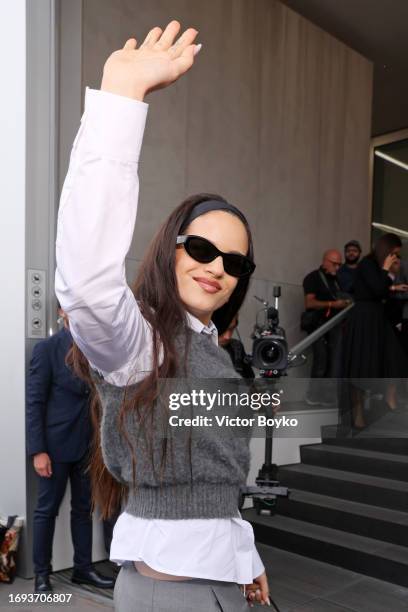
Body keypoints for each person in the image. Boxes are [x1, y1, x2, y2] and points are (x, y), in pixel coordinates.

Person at [55, 22, 270, 612]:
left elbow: (219, 479)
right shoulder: (145, 341)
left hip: (219, 581)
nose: (217, 268)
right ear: (170, 250)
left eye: (235, 262)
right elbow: (89, 287)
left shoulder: (215, 351)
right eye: (201, 249)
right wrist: (121, 102)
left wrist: (244, 559)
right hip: (173, 593)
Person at [26, 306, 114, 593]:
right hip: (54, 447)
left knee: (83, 510)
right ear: (62, 311)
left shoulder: (96, 348)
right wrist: (38, 450)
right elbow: (35, 403)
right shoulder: (47, 349)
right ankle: (42, 573)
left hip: (89, 444)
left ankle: (83, 569)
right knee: (46, 511)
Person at [343, 233, 408, 428]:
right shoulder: (367, 264)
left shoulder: (377, 267)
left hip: (378, 318)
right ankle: (358, 413)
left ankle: (390, 400)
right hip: (364, 319)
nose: (396, 257)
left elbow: (380, 289)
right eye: (394, 253)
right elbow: (377, 288)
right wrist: (388, 271)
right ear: (385, 250)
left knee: (394, 359)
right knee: (361, 366)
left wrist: (394, 287)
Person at [302, 250, 351, 405]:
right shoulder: (313, 277)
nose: (337, 267)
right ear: (325, 261)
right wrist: (332, 304)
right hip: (318, 326)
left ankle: (326, 397)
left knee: (333, 363)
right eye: (334, 263)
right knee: (321, 361)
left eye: (339, 264)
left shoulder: (337, 280)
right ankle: (313, 395)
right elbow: (309, 303)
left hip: (335, 325)